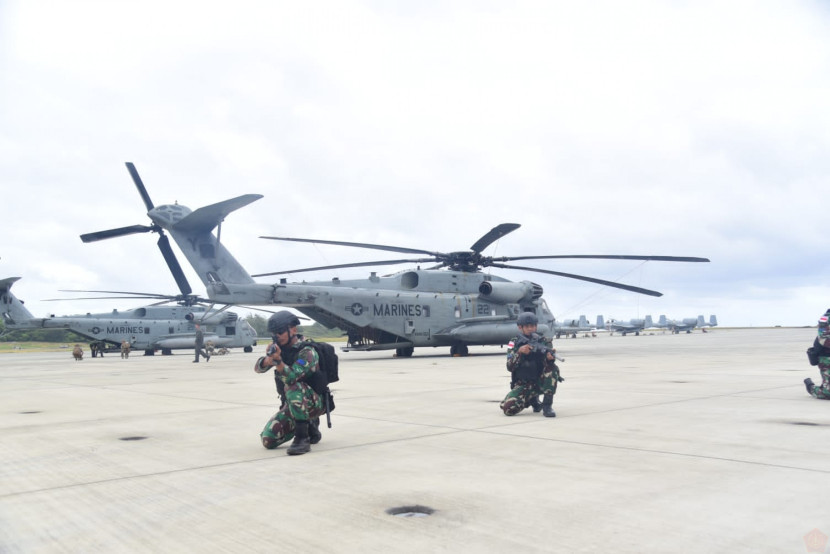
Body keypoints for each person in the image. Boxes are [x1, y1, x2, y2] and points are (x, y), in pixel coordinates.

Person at [254, 311, 325, 455]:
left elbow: (292, 377)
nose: (277, 336)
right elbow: (258, 368)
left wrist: (278, 362)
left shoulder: (307, 351)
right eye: (274, 333)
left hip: (314, 402)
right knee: (268, 440)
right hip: (293, 404)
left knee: (293, 386)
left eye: (280, 332)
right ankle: (309, 427)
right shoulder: (281, 350)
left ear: (293, 330)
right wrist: (269, 359)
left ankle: (302, 438)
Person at [500, 312, 562, 417]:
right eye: (527, 326)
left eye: (533, 326)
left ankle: (547, 406)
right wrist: (519, 352)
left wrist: (550, 359)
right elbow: (509, 366)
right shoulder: (512, 343)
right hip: (523, 384)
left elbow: (548, 363)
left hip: (540, 382)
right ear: (520, 327)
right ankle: (532, 401)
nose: (530, 329)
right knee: (507, 409)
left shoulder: (544, 341)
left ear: (536, 326)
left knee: (552, 369)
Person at [805, 310, 830, 399]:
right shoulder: (827, 317)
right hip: (826, 358)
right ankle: (810, 386)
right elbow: (823, 338)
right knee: (827, 393)